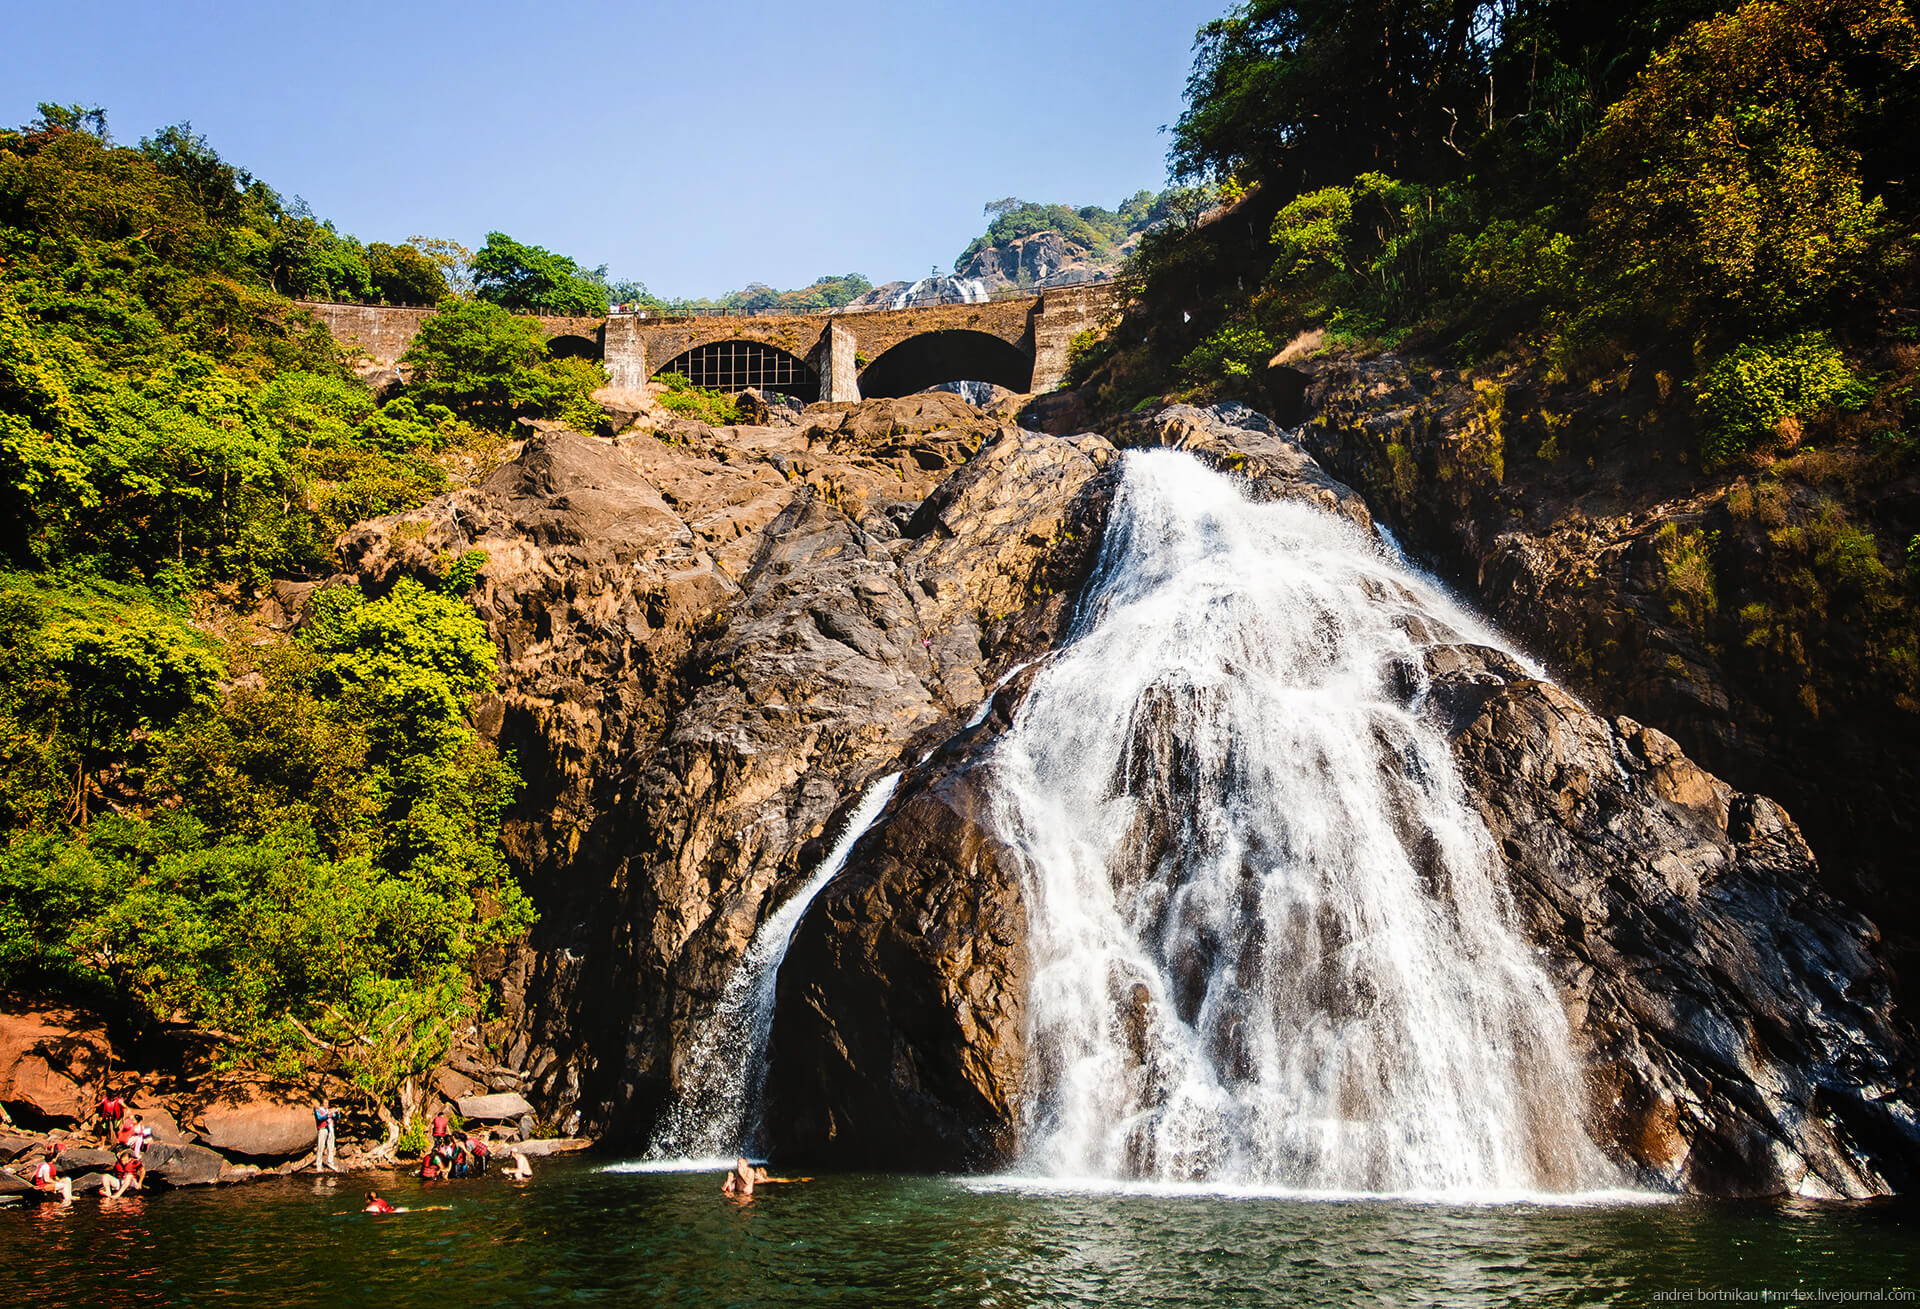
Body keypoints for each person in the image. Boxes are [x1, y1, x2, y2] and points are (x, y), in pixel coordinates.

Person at [313, 1097, 339, 1173]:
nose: (326, 1105)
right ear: (322, 1103)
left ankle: (331, 1162)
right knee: (321, 1146)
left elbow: (336, 1117)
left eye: (327, 1103)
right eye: (325, 1103)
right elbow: (320, 1118)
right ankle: (319, 1165)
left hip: (331, 1129)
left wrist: (337, 1113)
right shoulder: (318, 1110)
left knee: (331, 1146)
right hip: (323, 1129)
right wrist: (328, 1114)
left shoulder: (329, 1110)